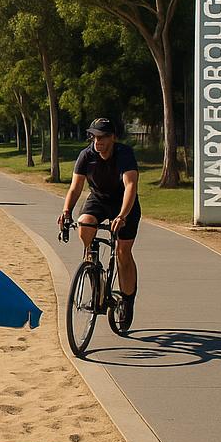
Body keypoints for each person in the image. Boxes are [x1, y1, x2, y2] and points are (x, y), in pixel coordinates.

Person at [57, 117, 140, 326]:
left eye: (102, 137)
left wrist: (122, 216)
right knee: (84, 223)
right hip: (99, 199)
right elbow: (75, 188)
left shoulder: (124, 154)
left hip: (124, 203)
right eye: (94, 136)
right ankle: (92, 264)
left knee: (122, 252)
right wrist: (67, 211)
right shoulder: (86, 155)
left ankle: (127, 301)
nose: (98, 141)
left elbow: (131, 186)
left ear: (112, 137)